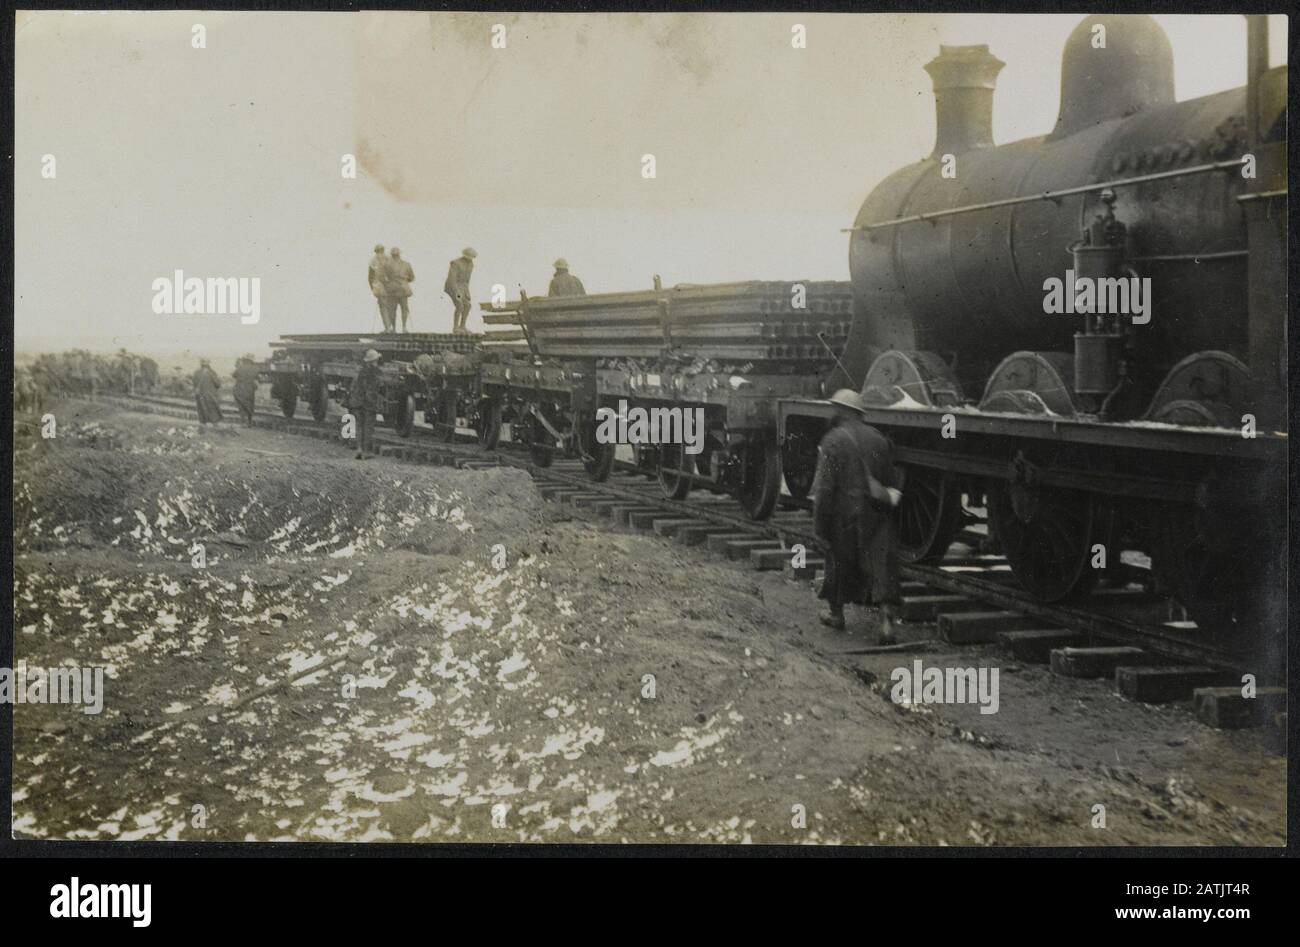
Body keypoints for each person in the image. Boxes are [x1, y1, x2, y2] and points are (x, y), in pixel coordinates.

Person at [811, 389, 903, 643]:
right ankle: (886, 623)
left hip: (844, 513)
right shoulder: (879, 439)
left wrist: (820, 528)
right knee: (882, 564)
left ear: (842, 412)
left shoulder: (832, 440)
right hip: (876, 511)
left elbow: (824, 489)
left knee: (837, 561)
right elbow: (890, 481)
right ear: (860, 414)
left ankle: (837, 615)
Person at [349, 349, 383, 459]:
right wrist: (374, 403)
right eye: (376, 360)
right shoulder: (374, 373)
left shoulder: (361, 371)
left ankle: (359, 449)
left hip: (357, 403)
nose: (377, 362)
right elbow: (371, 391)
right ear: (373, 361)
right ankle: (366, 452)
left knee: (359, 427)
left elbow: (354, 387)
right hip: (367, 404)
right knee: (368, 428)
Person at [444, 247, 476, 333]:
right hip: (452, 287)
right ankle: (455, 328)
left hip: (462, 287)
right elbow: (452, 279)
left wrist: (467, 293)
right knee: (459, 305)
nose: (470, 260)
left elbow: (467, 281)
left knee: (468, 305)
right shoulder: (456, 263)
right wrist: (457, 293)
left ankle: (462, 326)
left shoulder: (471, 265)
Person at [369, 244, 396, 332]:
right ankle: (392, 327)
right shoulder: (389, 259)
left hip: (379, 285)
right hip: (390, 285)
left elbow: (370, 276)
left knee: (383, 306)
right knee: (391, 306)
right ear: (383, 250)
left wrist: (372, 288)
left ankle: (388, 327)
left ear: (376, 251)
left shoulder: (373, 260)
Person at [389, 247, 415, 332]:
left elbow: (412, 277)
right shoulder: (388, 265)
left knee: (401, 309)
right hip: (394, 290)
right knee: (394, 309)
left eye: (395, 255)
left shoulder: (406, 264)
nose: (395, 256)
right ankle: (395, 328)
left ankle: (402, 327)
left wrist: (404, 279)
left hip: (401, 290)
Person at [193, 358, 224, 426]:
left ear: (201, 364)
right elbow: (218, 384)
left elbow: (194, 384)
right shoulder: (212, 372)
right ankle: (215, 425)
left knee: (201, 409)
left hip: (200, 395)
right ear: (209, 364)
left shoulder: (196, 373)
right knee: (213, 410)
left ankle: (203, 425)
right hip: (210, 395)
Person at [232, 355, 260, 427]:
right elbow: (258, 378)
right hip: (250, 390)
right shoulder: (255, 368)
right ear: (252, 361)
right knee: (250, 406)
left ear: (245, 360)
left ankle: (243, 422)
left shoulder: (240, 367)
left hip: (239, 389)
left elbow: (234, 375)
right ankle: (249, 422)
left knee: (241, 406)